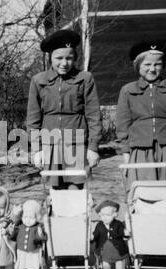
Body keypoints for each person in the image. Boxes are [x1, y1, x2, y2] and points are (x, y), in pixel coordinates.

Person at [27, 30, 102, 189]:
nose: (64, 63)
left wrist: (93, 148)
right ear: (50, 58)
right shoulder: (38, 81)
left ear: (74, 57)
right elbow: (33, 119)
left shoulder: (85, 79)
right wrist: (37, 150)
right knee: (53, 193)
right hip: (50, 145)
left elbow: (94, 115)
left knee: (77, 191)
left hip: (76, 144)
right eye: (59, 58)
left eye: (69, 58)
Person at [116, 39, 166, 186]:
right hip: (139, 149)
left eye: (157, 64)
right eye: (147, 64)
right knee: (142, 189)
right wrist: (125, 152)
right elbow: (122, 124)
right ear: (138, 66)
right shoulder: (127, 90)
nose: (152, 69)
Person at [90, 200, 129, 269]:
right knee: (105, 266)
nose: (105, 218)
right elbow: (95, 235)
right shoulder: (99, 225)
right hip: (105, 252)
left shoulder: (118, 224)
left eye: (108, 215)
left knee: (119, 268)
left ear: (114, 215)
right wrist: (91, 237)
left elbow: (122, 233)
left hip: (118, 252)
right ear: (100, 215)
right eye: (103, 215)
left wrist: (125, 232)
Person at [9, 200, 47, 269]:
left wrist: (40, 234)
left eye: (31, 218)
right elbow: (14, 236)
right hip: (21, 251)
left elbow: (41, 238)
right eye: (25, 217)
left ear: (37, 217)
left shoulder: (38, 226)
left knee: (33, 267)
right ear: (22, 216)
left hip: (33, 251)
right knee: (20, 267)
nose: (28, 220)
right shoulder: (20, 226)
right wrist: (11, 232)